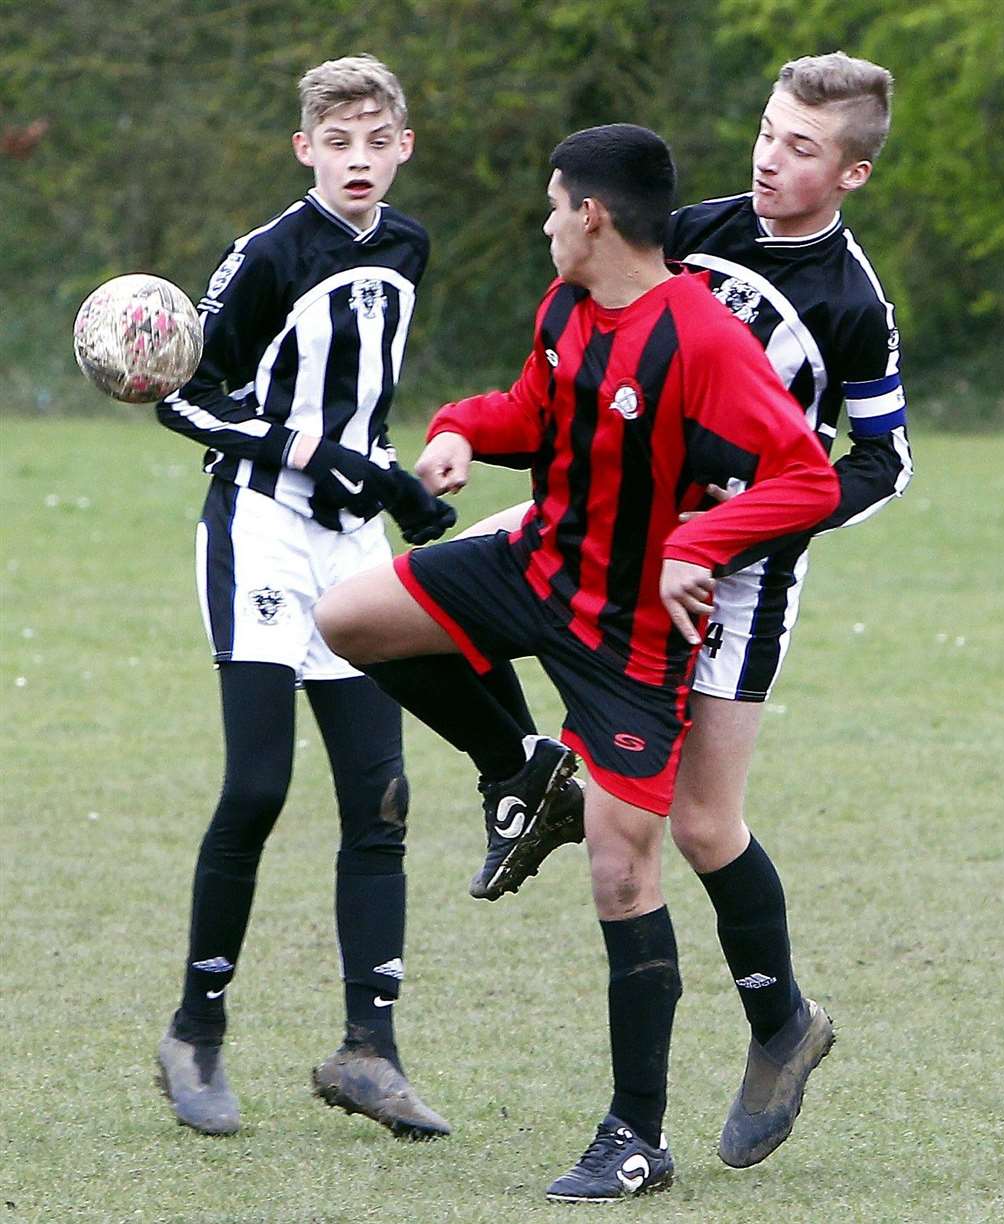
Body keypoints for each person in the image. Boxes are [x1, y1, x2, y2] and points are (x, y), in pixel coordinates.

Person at [314, 123, 840, 1200]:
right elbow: (536, 415)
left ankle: (635, 1136)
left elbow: (807, 476)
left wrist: (695, 547)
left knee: (622, 862)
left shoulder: (698, 339)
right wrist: (464, 428)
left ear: (591, 214)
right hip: (535, 561)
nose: (547, 222)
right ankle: (521, 766)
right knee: (351, 618)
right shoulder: (567, 309)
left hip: (629, 636)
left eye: (555, 205)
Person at [457, 51, 913, 1172]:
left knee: (705, 826)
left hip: (742, 576)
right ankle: (532, 768)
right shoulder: (694, 230)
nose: (771, 157)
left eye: (802, 147)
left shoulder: (851, 305)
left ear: (850, 172)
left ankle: (780, 1026)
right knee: (443, 592)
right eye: (767, 130)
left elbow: (880, 462)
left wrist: (738, 528)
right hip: (612, 530)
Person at [153, 54, 456, 1141]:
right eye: (338, 142)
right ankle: (196, 1031)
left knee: (383, 799)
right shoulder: (268, 254)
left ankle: (369, 1051)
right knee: (259, 787)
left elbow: (363, 402)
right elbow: (187, 398)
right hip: (262, 535)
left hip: (351, 542)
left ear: (403, 145)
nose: (359, 159)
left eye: (377, 140)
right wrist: (319, 457)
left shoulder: (412, 245)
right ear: (306, 149)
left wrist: (396, 483)